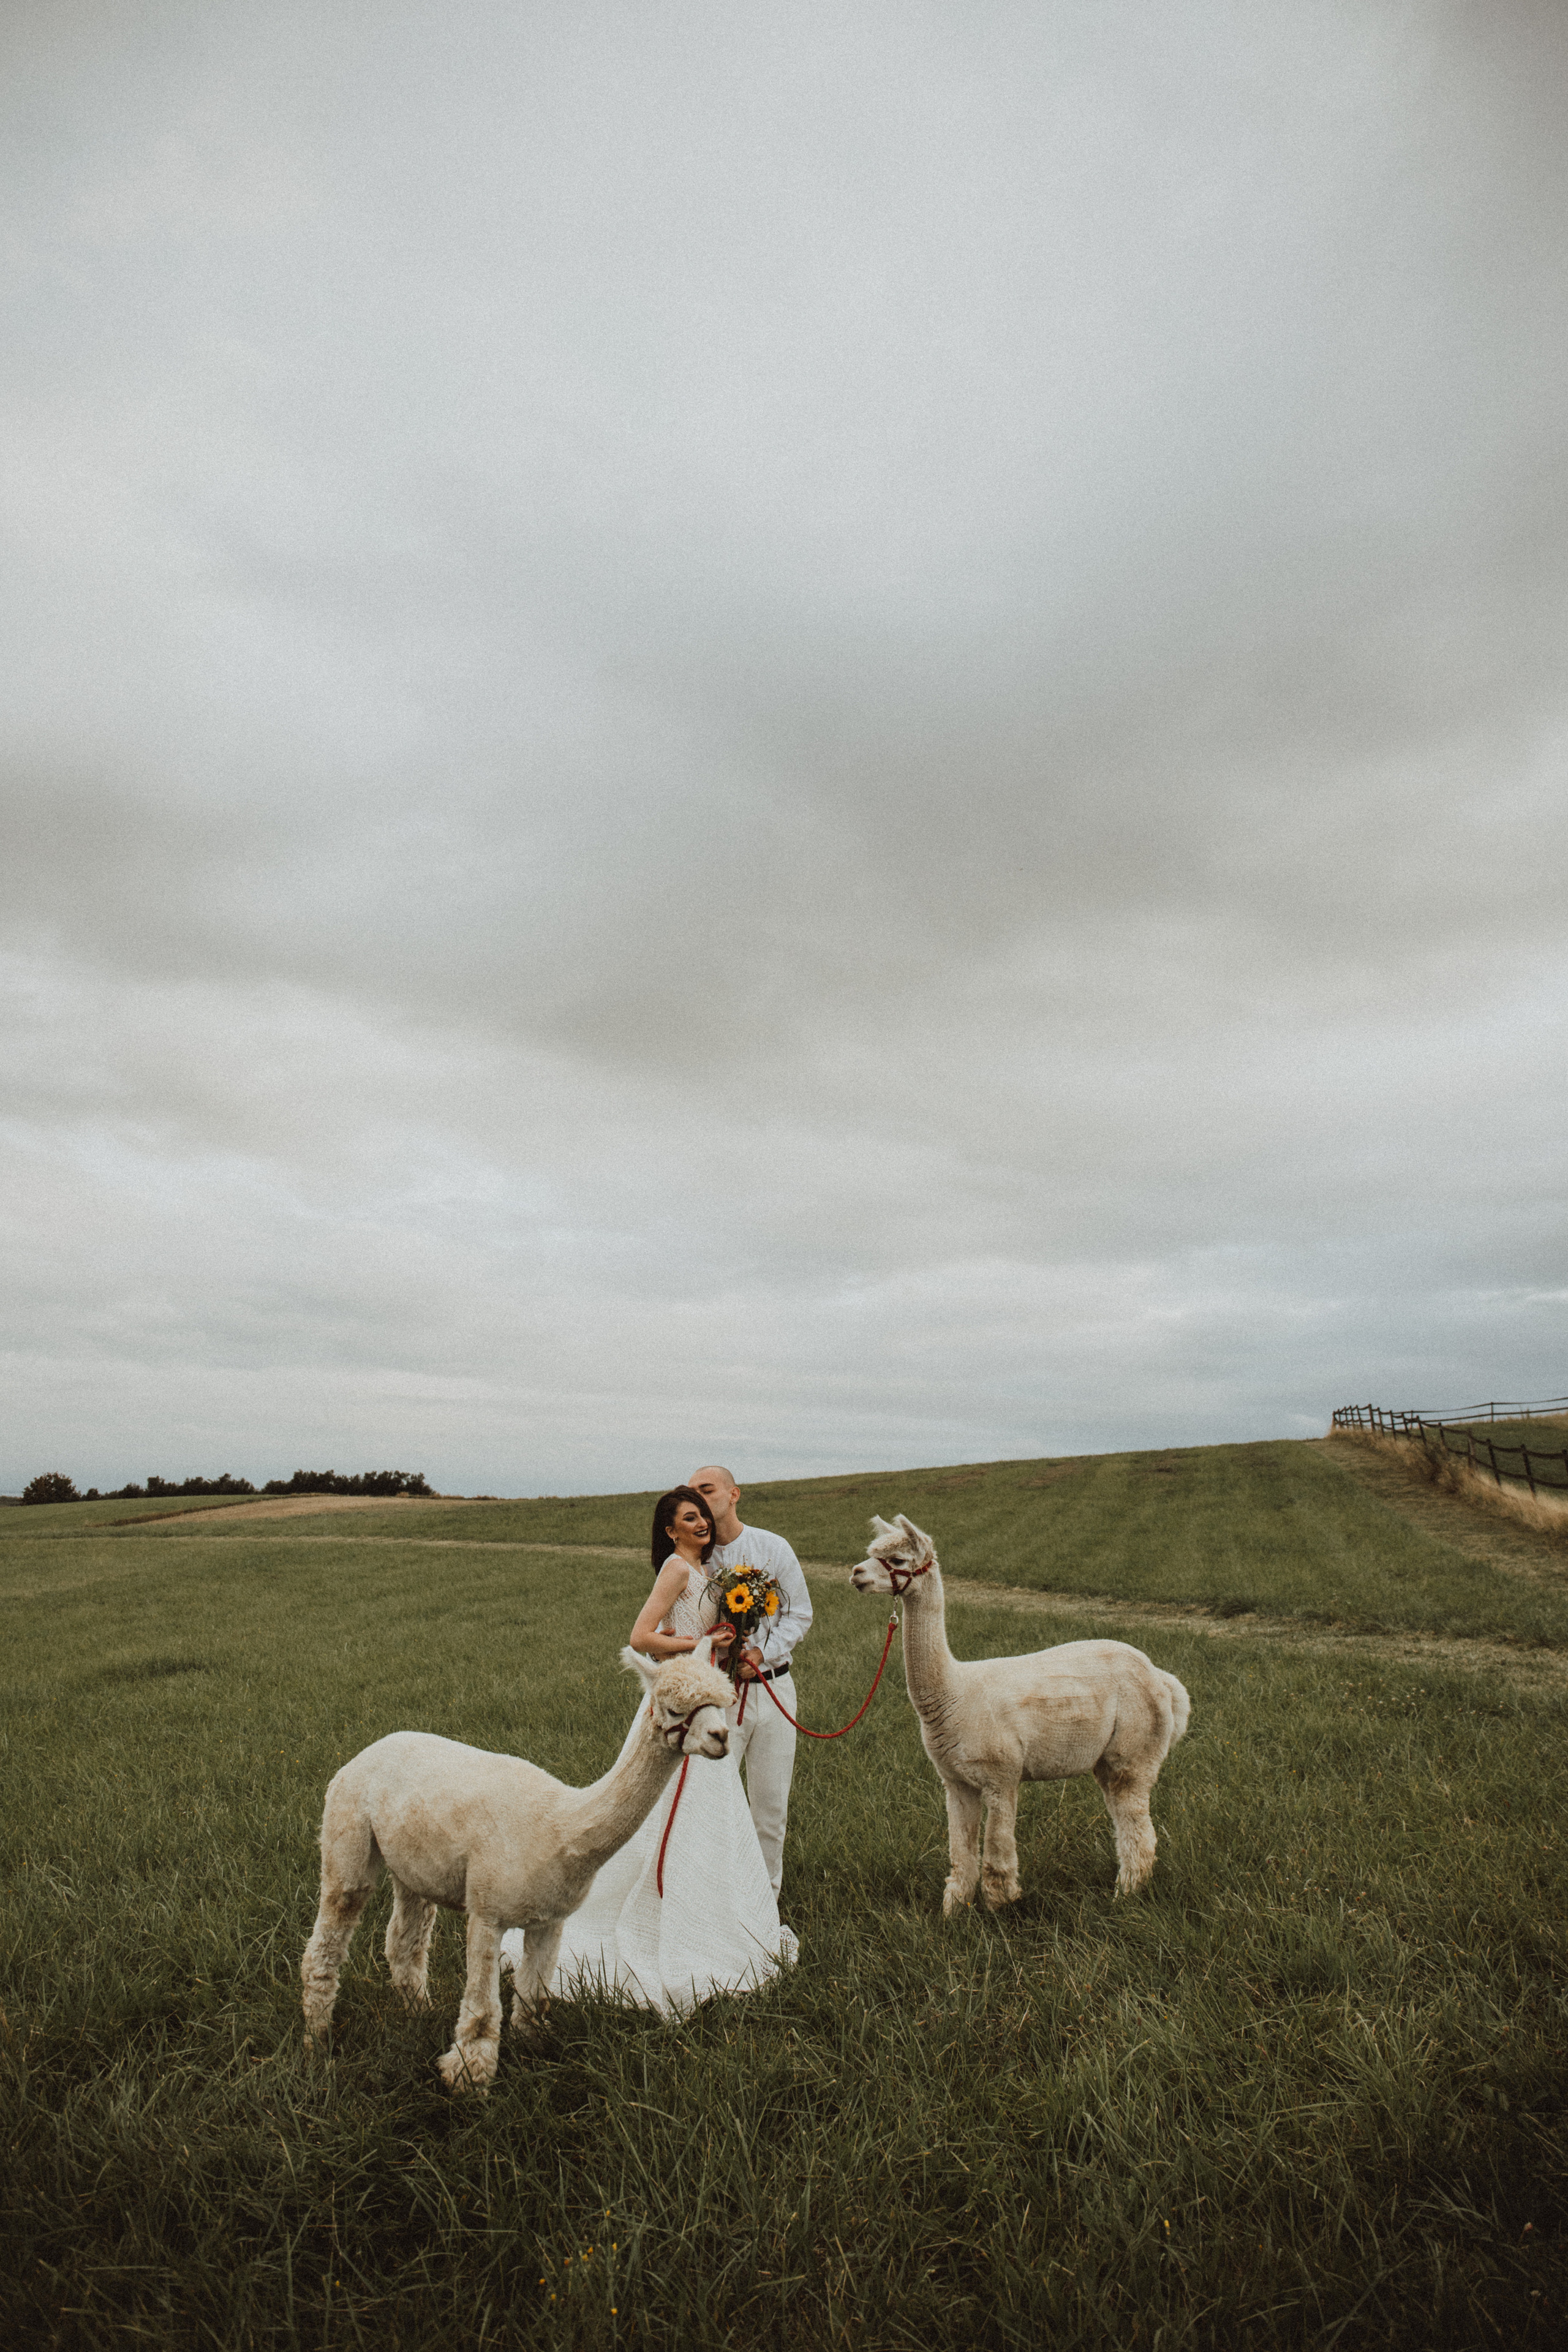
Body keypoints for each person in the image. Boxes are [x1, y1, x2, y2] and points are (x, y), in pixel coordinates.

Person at [499, 1485, 795, 2017]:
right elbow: (639, 1637)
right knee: (665, 1815)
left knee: (712, 1817)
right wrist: (698, 1645)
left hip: (705, 1702)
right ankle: (655, 1918)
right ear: (670, 1530)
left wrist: (725, 1642)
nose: (701, 1523)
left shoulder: (710, 1574)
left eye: (702, 1514)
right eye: (689, 1517)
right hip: (679, 1705)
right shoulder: (676, 1572)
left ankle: (710, 1914)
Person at [688, 1463, 812, 1904]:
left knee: (770, 1806)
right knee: (713, 1802)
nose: (700, 1499)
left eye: (707, 1489)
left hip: (774, 1688)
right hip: (720, 1696)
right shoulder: (694, 1560)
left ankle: (765, 1904)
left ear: (733, 1494)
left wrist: (762, 1653)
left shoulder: (771, 1547)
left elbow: (800, 1613)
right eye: (692, 1494)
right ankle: (713, 1901)